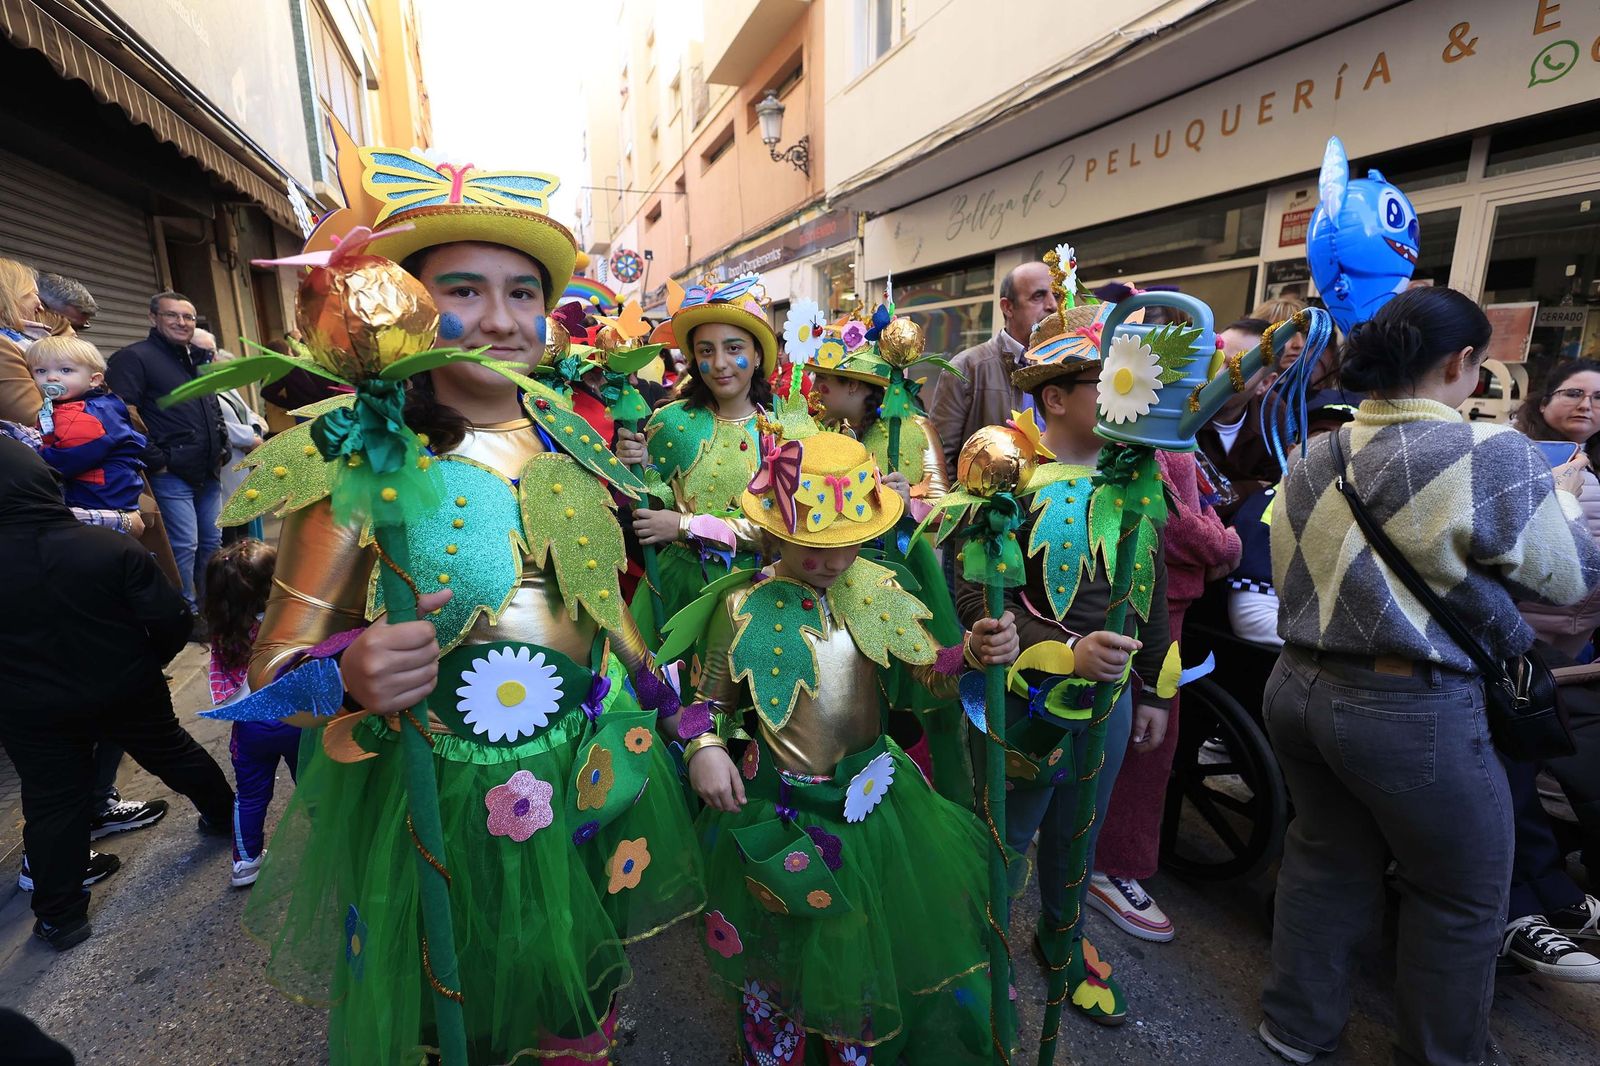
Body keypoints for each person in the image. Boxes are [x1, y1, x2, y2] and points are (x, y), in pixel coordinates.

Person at [236, 142, 700, 1064]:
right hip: (439, 805)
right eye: (463, 291)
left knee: (576, 997)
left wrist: (683, 716)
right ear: (407, 308)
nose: (499, 319)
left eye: (522, 292)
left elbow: (605, 611)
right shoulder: (361, 458)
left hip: (585, 776)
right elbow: (271, 673)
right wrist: (350, 672)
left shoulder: (568, 443)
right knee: (462, 1022)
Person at [1259, 286, 1600, 1066]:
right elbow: (1569, 576)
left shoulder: (1318, 451)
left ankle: (1294, 1029)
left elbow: (1288, 563)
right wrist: (1567, 502)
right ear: (1461, 363)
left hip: (1296, 685)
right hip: (1407, 707)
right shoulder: (1493, 454)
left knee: (1322, 861)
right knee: (1460, 895)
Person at [674, 428, 1021, 1062]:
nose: (834, 562)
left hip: (874, 810)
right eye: (813, 548)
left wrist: (970, 653)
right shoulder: (740, 606)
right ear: (775, 534)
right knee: (778, 947)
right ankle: (773, 1042)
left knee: (861, 942)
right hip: (781, 811)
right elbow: (707, 704)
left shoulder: (876, 589)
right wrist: (706, 749)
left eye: (848, 546)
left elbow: (927, 672)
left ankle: (850, 1046)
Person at [960, 291, 1174, 1026]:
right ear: (1056, 396)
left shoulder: (1139, 477)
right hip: (1025, 701)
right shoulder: (1006, 475)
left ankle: (1062, 935)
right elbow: (975, 590)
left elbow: (1154, 592)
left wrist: (1157, 694)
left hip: (1111, 702)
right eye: (1114, 381)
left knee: (1080, 830)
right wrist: (1060, 649)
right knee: (1007, 833)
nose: (1139, 395)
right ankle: (978, 949)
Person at [0, 437, 235, 951]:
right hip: (125, 683)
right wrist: (146, 663)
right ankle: (226, 816)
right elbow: (172, 618)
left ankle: (60, 918)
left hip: (29, 705)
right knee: (170, 751)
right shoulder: (108, 547)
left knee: (53, 800)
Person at [1089, 448, 1238, 943]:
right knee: (1136, 741)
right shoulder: (1151, 431)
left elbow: (1199, 512)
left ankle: (1105, 857)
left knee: (1148, 738)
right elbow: (1176, 527)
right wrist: (1227, 544)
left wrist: (1213, 534)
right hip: (1143, 596)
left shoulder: (1179, 435)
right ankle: (1106, 865)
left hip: (1168, 602)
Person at [614, 278, 778, 638]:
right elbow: (652, 505)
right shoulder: (670, 422)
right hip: (675, 590)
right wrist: (632, 469)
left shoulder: (786, 429)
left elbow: (780, 533)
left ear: (758, 354)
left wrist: (685, 526)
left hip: (758, 594)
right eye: (706, 351)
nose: (719, 363)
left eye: (733, 347)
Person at [106, 291, 227, 623]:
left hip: (207, 470)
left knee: (211, 542)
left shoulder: (193, 359)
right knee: (182, 547)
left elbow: (211, 405)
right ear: (153, 318)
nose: (181, 322)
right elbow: (121, 413)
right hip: (171, 472)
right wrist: (157, 460)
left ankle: (209, 608)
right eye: (172, 315)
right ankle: (183, 613)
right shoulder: (134, 358)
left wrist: (223, 444)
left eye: (188, 317)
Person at [202, 539, 298, 888]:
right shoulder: (286, 620)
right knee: (315, 785)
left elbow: (221, 679)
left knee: (250, 796)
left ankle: (245, 863)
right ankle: (331, 844)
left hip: (251, 726)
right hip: (296, 718)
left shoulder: (224, 628)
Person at [928, 260, 1059, 473]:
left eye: (1058, 296)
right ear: (1008, 307)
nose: (1052, 305)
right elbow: (938, 465)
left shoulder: (1065, 367)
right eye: (1038, 296)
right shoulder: (966, 369)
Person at [27, 335, 146, 515]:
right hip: (101, 493)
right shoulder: (65, 407)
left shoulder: (87, 413)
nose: (51, 377)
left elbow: (67, 458)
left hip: (100, 498)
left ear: (94, 380)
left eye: (66, 370)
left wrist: (32, 457)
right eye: (41, 371)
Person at [193, 328, 267, 543]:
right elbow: (214, 423)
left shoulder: (222, 382)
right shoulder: (193, 388)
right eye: (204, 351)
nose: (211, 357)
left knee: (247, 526)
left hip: (245, 463)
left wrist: (255, 431)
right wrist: (249, 438)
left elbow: (249, 412)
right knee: (230, 533)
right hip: (226, 465)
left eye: (213, 351)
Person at [0, 257, 44, 423]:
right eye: (33, 293)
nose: (40, 305)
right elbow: (33, 419)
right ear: (9, 295)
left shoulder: (14, 339)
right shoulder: (2, 345)